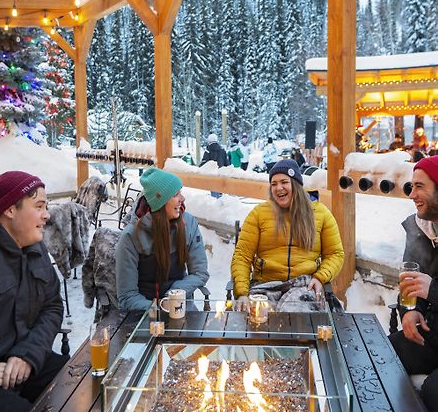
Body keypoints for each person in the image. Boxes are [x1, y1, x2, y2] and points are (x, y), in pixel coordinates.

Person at [0, 171, 67, 412]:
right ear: (10, 209)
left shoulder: (36, 248)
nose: (47, 215)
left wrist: (27, 354)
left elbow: (53, 306)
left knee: (78, 390)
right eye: (39, 206)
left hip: (27, 361)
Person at [231, 159, 344, 310]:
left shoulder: (320, 213)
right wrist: (242, 293)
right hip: (265, 285)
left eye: (284, 182)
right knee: (258, 317)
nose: (279, 188)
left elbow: (335, 254)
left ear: (295, 185)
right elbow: (242, 256)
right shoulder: (259, 214)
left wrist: (320, 277)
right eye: (274, 184)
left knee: (296, 315)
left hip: (304, 285)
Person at [116, 168, 209, 311]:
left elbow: (200, 272)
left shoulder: (188, 223)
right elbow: (127, 295)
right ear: (160, 201)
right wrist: (157, 309)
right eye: (175, 194)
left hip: (181, 305)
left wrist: (175, 293)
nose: (182, 199)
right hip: (143, 311)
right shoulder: (131, 236)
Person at [389, 155, 438, 412]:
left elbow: (430, 287)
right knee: (383, 355)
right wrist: (410, 311)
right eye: (411, 186)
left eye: (420, 186)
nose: (412, 194)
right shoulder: (420, 228)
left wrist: (433, 290)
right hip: (432, 331)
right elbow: (412, 283)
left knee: (434, 392)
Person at [200, 133, 229, 198]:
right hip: (221, 173)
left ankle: (216, 202)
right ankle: (220, 201)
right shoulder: (222, 150)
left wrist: (199, 169)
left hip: (212, 175)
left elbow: (204, 162)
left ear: (209, 141)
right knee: (221, 192)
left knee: (214, 193)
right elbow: (226, 162)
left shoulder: (208, 150)